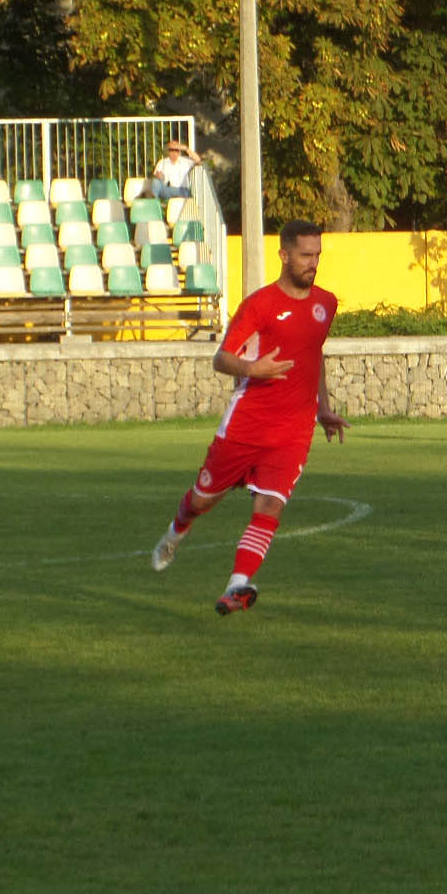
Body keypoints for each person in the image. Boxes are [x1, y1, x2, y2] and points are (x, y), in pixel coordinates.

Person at [150, 219, 351, 614]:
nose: (313, 263)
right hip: (247, 425)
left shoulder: (326, 304)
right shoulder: (259, 305)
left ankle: (236, 585)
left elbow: (314, 354)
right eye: (305, 255)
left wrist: (324, 407)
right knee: (203, 500)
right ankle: (176, 531)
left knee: (270, 507)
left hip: (293, 432)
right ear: (284, 255)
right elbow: (221, 358)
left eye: (317, 255)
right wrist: (252, 369)